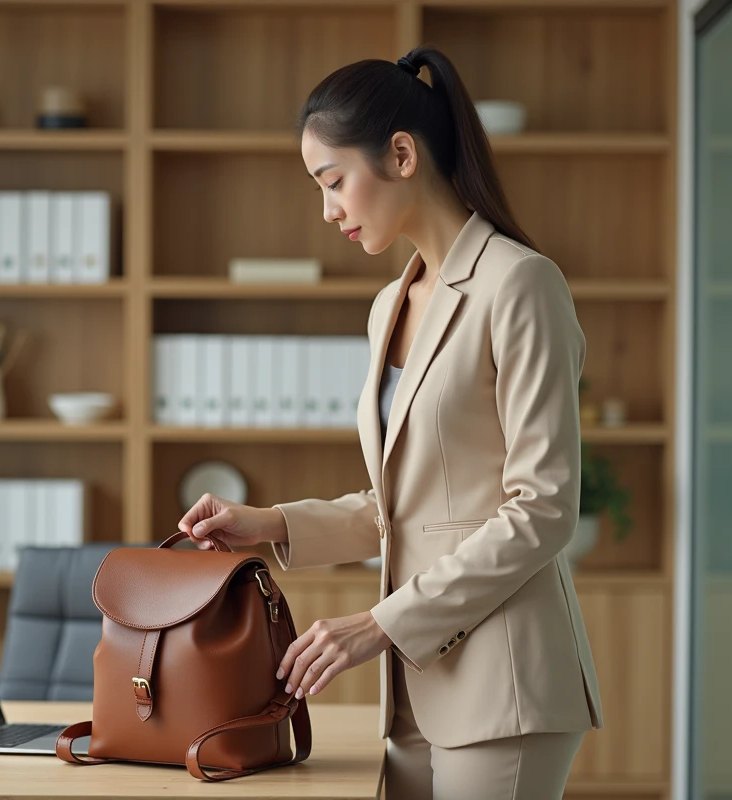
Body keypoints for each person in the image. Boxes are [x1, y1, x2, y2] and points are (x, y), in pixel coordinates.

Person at [178, 45, 603, 800]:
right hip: (414, 684)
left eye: (333, 181)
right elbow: (404, 507)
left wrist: (380, 624)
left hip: (501, 686)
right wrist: (270, 522)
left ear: (401, 154)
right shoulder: (389, 305)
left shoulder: (521, 285)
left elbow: (542, 510)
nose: (327, 209)